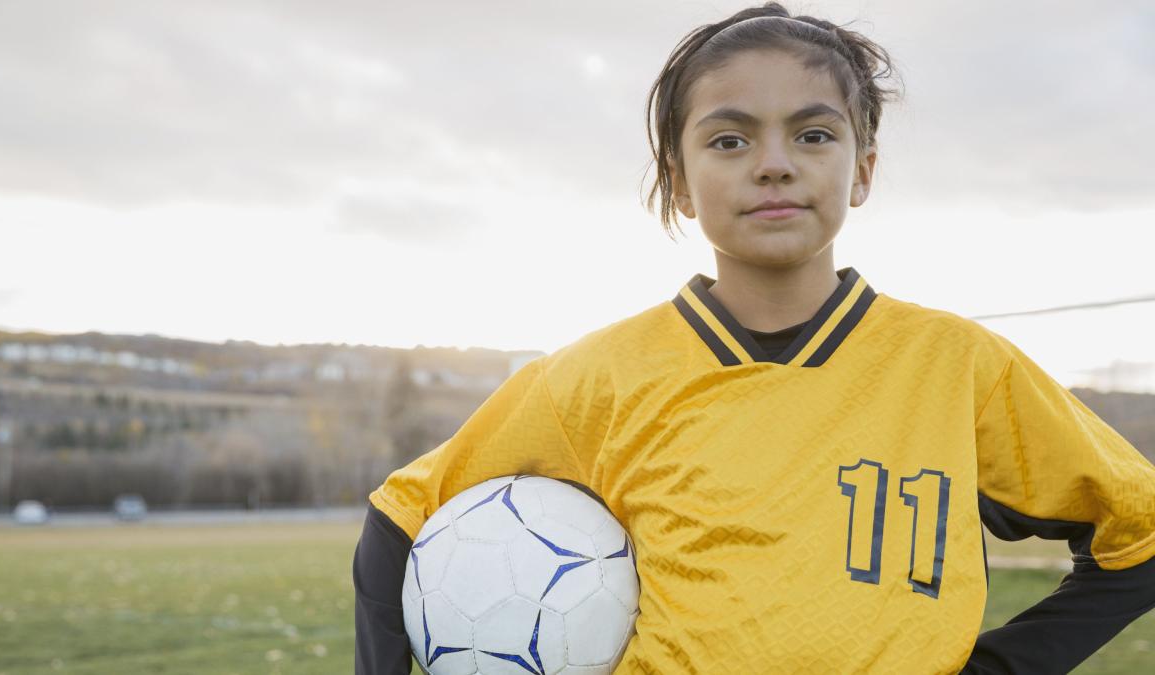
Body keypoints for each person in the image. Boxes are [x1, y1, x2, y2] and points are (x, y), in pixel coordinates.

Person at [354, 3, 1155, 673]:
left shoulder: (957, 367)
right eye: (730, 140)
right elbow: (400, 515)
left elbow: (1140, 529)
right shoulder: (598, 378)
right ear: (679, 181)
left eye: (813, 135)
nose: (773, 165)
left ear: (863, 168)